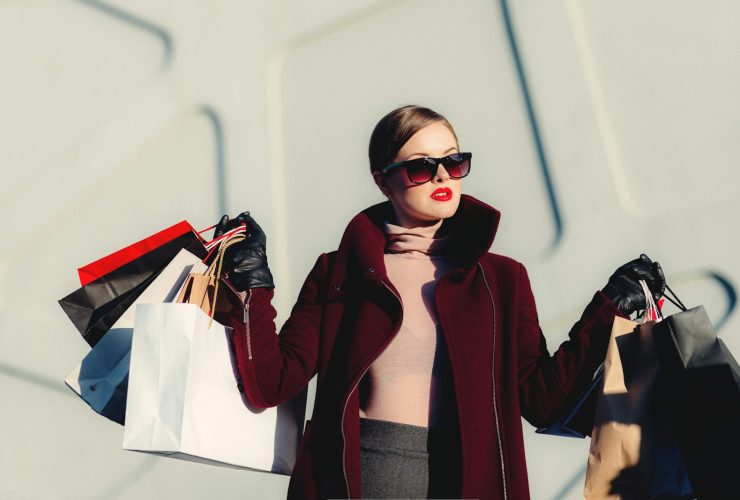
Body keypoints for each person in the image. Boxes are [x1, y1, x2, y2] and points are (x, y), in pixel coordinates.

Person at [213, 105, 665, 499]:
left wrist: (609, 308)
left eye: (454, 161)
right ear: (383, 180)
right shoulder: (340, 272)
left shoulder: (502, 279)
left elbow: (541, 400)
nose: (444, 176)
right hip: (364, 477)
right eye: (421, 167)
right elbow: (271, 382)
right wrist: (253, 283)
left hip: (471, 479)